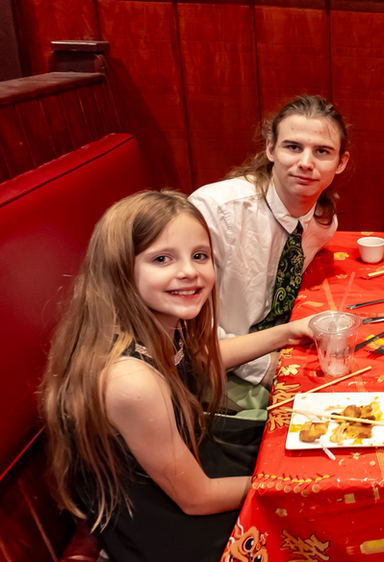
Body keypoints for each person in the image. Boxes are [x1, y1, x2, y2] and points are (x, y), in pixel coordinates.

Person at [39, 191, 317, 561]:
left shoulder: (155, 323)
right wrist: (299, 487)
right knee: (316, 511)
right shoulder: (130, 381)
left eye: (199, 256)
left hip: (190, 458)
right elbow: (197, 498)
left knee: (300, 440)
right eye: (162, 258)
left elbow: (200, 357)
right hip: (168, 521)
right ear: (119, 269)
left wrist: (288, 332)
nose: (189, 271)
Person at [189, 96, 350, 410]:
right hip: (211, 374)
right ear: (270, 149)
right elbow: (188, 336)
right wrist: (265, 367)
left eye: (322, 151)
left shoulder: (322, 223)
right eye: (293, 147)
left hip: (277, 346)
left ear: (341, 162)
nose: (306, 162)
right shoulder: (215, 212)